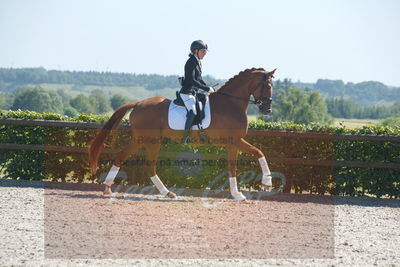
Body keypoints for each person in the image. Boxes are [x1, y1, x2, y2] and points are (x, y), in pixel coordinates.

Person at [179, 40, 214, 143]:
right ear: (196, 51)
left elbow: (199, 79)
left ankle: (199, 128)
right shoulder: (190, 62)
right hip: (186, 93)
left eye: (205, 52)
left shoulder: (197, 62)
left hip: (193, 93)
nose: (205, 54)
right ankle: (185, 138)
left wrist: (208, 87)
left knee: (204, 102)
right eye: (203, 51)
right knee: (193, 111)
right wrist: (206, 89)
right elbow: (191, 80)